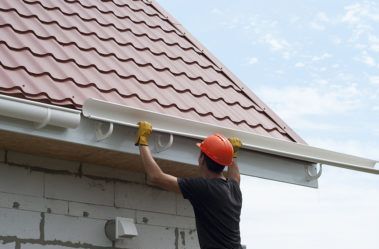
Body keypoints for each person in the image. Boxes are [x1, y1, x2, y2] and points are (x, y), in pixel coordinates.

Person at [136, 121, 243, 249]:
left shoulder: (205, 189)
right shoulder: (234, 189)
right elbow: (235, 177)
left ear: (201, 159)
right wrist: (233, 154)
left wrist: (143, 141)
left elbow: (156, 177)